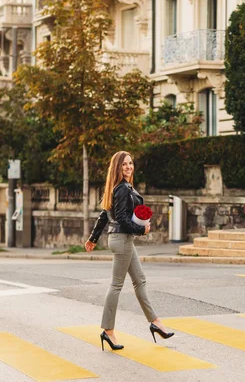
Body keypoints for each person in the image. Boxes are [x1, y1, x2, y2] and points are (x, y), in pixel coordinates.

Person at [85, 150, 174, 351]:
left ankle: (155, 322)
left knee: (139, 280)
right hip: (123, 239)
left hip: (122, 240)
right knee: (116, 285)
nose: (128, 167)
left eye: (130, 163)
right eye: (124, 164)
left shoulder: (116, 187)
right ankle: (108, 331)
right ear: (117, 167)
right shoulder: (123, 188)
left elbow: (104, 215)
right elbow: (124, 220)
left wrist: (92, 238)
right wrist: (142, 229)